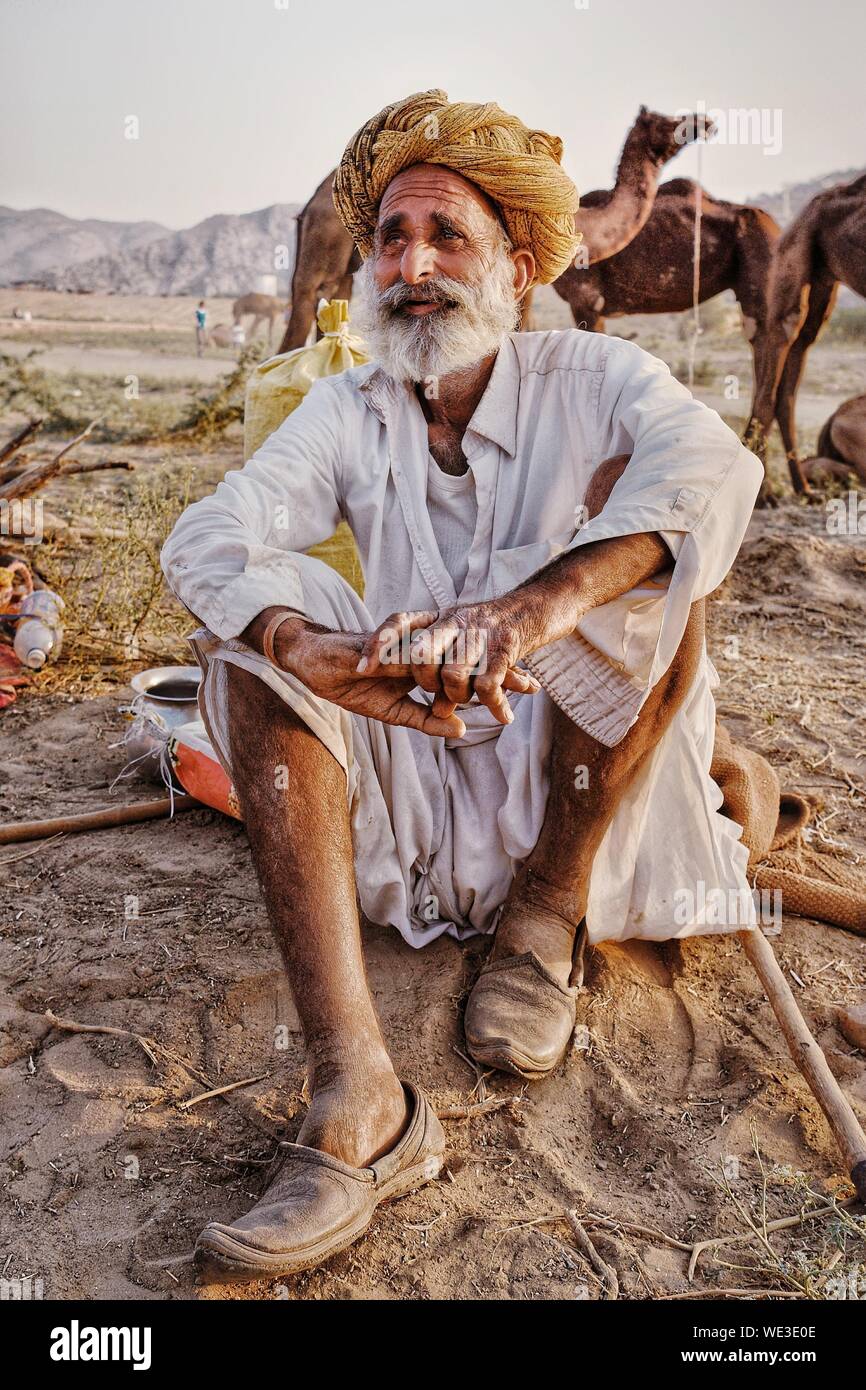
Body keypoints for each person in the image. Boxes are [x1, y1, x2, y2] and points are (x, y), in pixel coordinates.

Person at [161, 89, 763, 1283]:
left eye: (446, 237)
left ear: (519, 263)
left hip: (573, 797)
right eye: (389, 236)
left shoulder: (594, 378)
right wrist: (309, 647)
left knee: (657, 571)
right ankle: (360, 1098)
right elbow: (209, 533)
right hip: (402, 807)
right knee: (253, 617)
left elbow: (712, 468)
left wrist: (532, 607)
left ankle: (541, 917)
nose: (409, 264)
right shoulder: (347, 408)